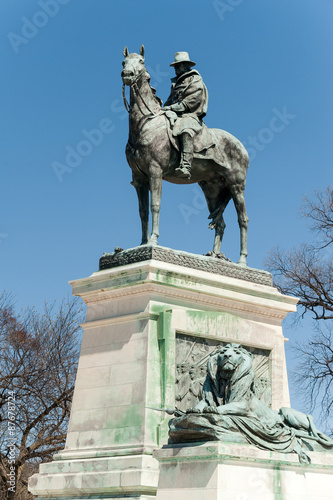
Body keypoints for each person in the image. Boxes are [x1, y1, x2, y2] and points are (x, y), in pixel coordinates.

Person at [164, 52, 208, 179]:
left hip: (190, 115)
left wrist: (171, 107)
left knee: (185, 129)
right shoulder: (176, 82)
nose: (176, 68)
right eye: (175, 66)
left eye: (179, 65)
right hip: (175, 113)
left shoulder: (195, 79)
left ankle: (185, 165)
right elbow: (170, 100)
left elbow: (191, 101)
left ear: (186, 66)